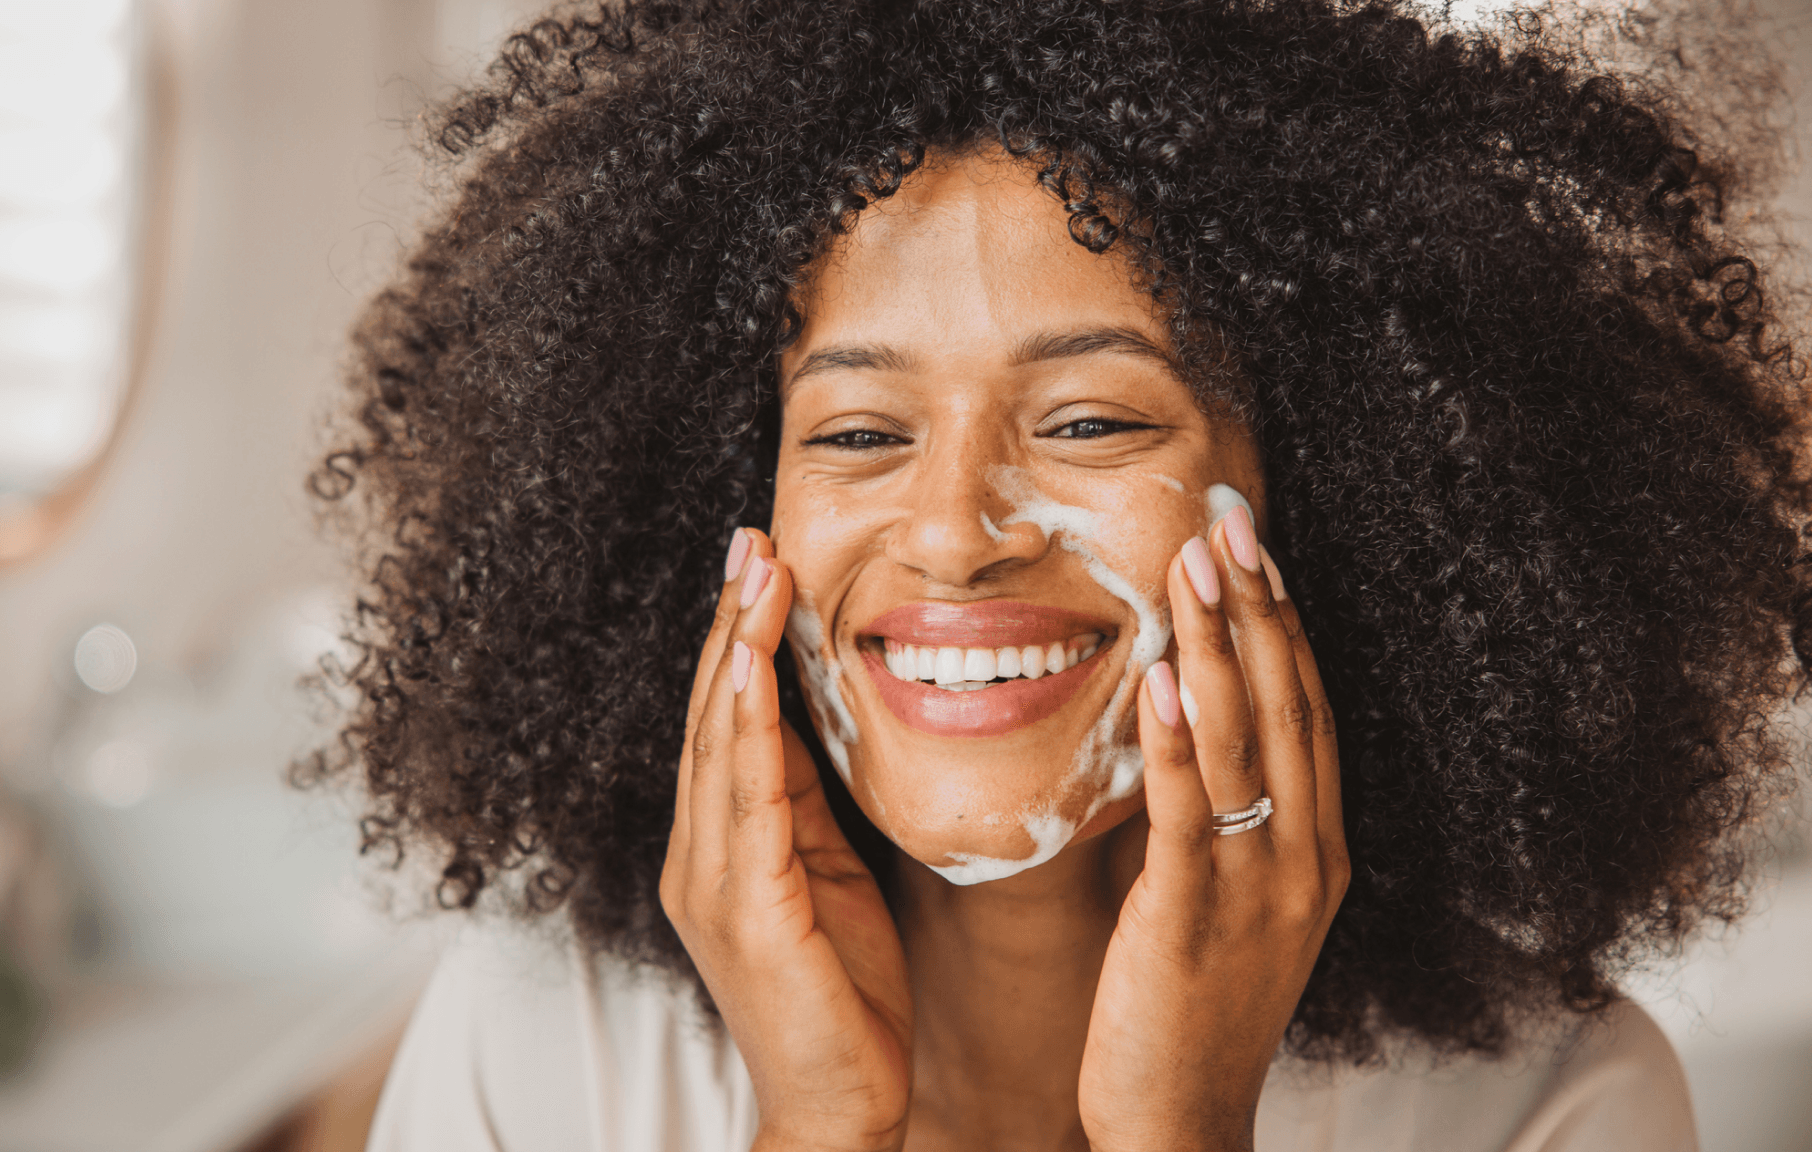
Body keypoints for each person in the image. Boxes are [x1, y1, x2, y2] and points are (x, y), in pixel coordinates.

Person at [306, 1, 1811, 1148]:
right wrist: (816, 1131)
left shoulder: (1552, 1103)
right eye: (858, 431)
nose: (957, 532)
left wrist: (1181, 1135)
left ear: (1338, 497)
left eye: (1091, 420)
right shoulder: (541, 1041)